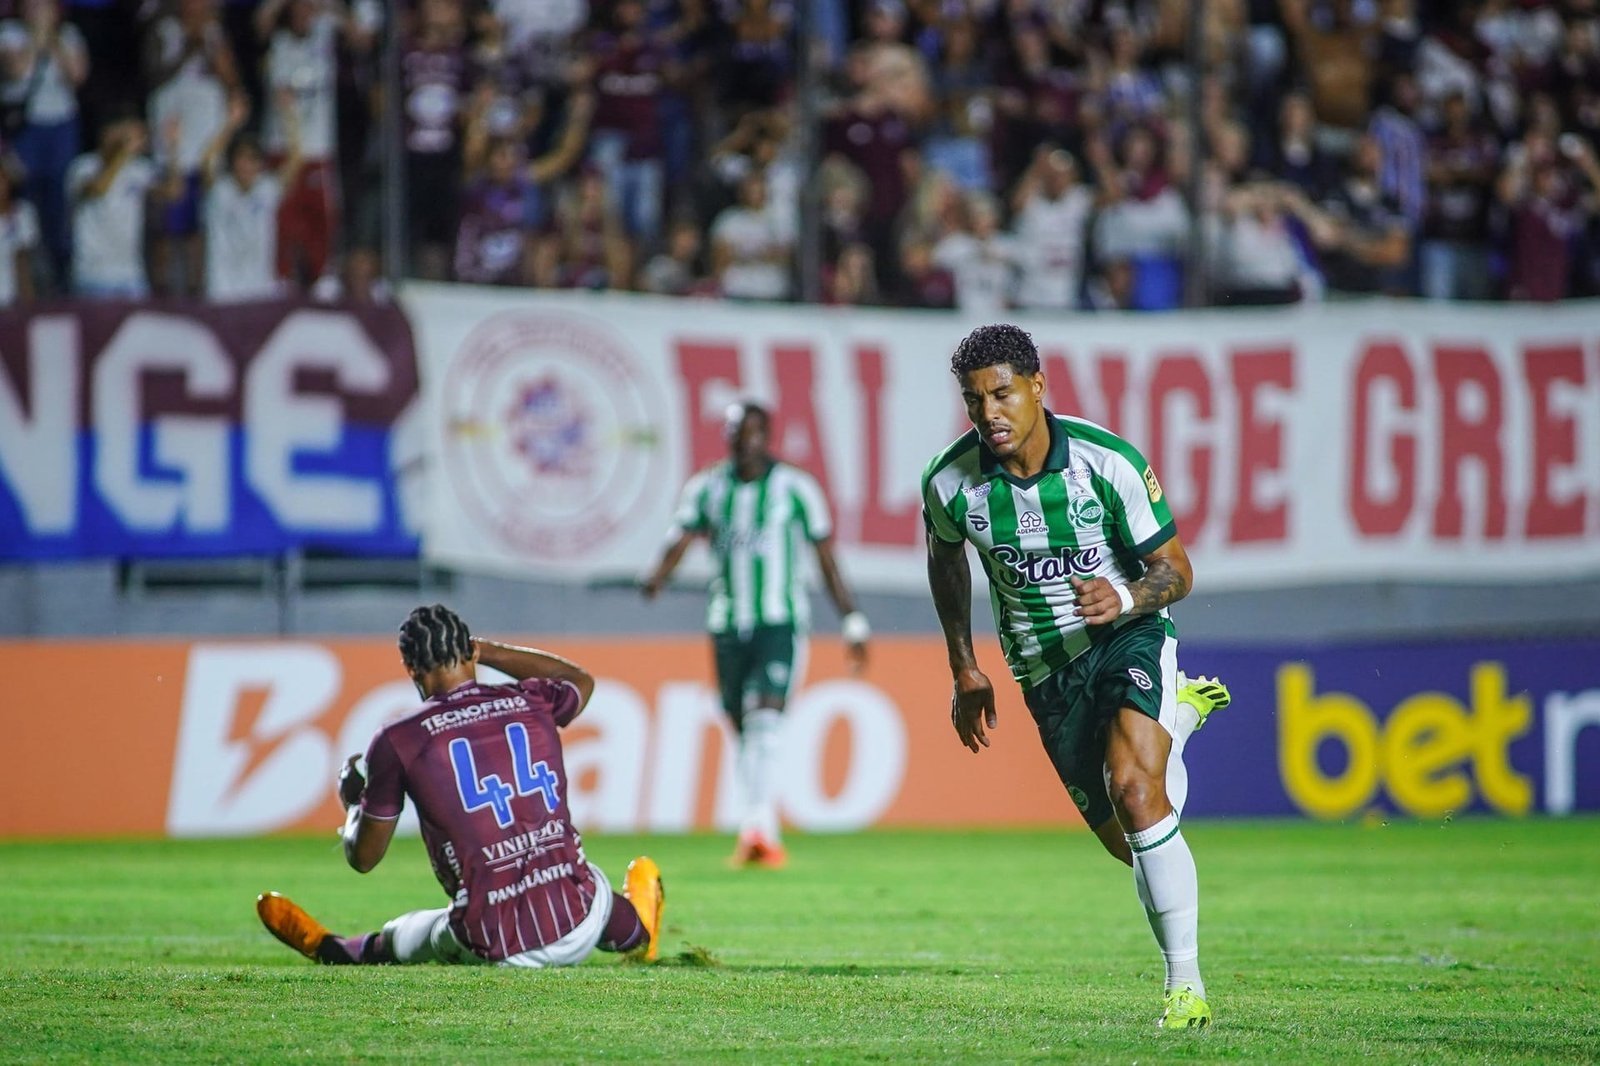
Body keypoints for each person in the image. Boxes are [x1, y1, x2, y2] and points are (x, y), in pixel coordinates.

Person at [920, 324, 1231, 1030]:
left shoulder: (1107, 461)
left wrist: (1122, 600)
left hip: (1127, 636)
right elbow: (945, 559)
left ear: (1038, 386)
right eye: (974, 401)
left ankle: (1185, 986)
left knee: (1134, 789)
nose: (989, 413)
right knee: (1133, 842)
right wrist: (964, 666)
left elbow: (1176, 570)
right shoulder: (949, 481)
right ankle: (1174, 725)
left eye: (1002, 393)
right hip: (1043, 672)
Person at [256, 604, 665, 969]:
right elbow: (578, 680)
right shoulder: (532, 701)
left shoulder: (400, 738)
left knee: (402, 936)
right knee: (584, 881)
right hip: (580, 918)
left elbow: (364, 858)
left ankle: (333, 949)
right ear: (471, 652)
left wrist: (352, 806)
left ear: (410, 668)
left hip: (496, 943)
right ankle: (638, 932)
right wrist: (485, 650)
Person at [641, 401, 869, 869]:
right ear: (726, 438)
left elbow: (825, 557)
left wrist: (852, 618)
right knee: (741, 725)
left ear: (768, 436)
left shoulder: (796, 489)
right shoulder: (707, 488)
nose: (746, 443)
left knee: (764, 718)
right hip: (726, 623)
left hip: (779, 622)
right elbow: (679, 535)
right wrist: (658, 576)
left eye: (754, 434)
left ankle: (759, 830)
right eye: (736, 434)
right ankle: (759, 823)